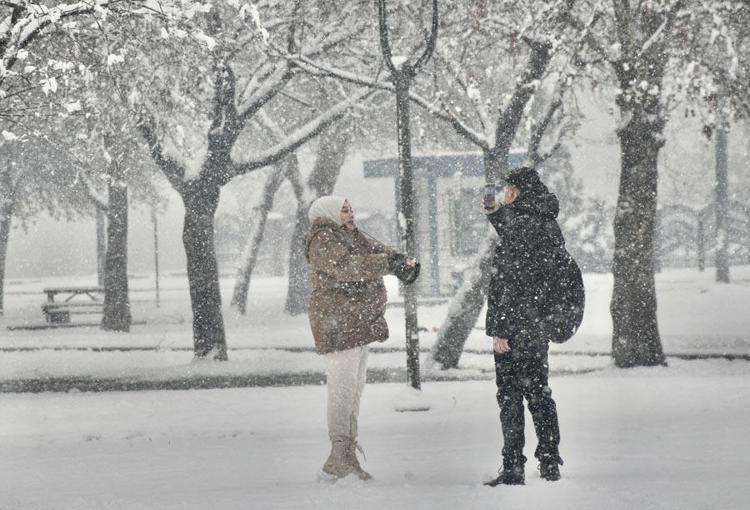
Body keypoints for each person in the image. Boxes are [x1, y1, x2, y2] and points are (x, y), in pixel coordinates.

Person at [305, 195, 417, 481]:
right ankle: (338, 455)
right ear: (329, 212)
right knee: (342, 391)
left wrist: (400, 261)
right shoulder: (322, 239)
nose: (350, 213)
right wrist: (387, 263)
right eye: (344, 210)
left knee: (354, 390)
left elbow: (377, 252)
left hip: (355, 323)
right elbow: (346, 267)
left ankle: (347, 455)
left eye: (351, 209)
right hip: (337, 324)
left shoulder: (350, 235)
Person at [482, 166, 582, 486]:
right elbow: (527, 251)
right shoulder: (546, 222)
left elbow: (509, 281)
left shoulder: (521, 227)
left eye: (508, 189)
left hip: (514, 327)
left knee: (510, 396)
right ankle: (550, 461)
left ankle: (513, 466)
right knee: (539, 393)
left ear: (517, 192)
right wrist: (496, 214)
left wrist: (500, 329)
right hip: (537, 325)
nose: (505, 194)